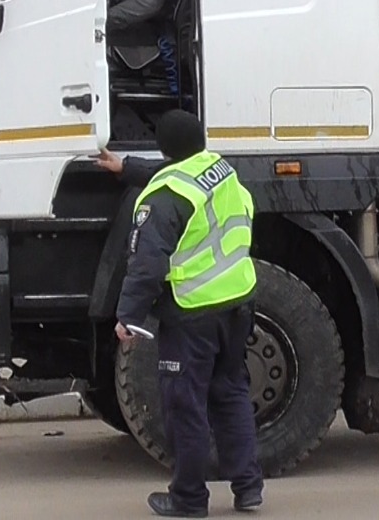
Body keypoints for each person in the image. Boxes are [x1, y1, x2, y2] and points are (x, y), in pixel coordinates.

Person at [95, 110, 264, 518]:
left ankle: (189, 499)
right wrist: (126, 167)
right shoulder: (218, 169)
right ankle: (248, 488)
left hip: (193, 313)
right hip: (237, 301)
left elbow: (147, 264)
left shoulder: (163, 199)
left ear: (165, 147)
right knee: (231, 393)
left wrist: (128, 317)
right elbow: (175, 173)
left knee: (184, 405)